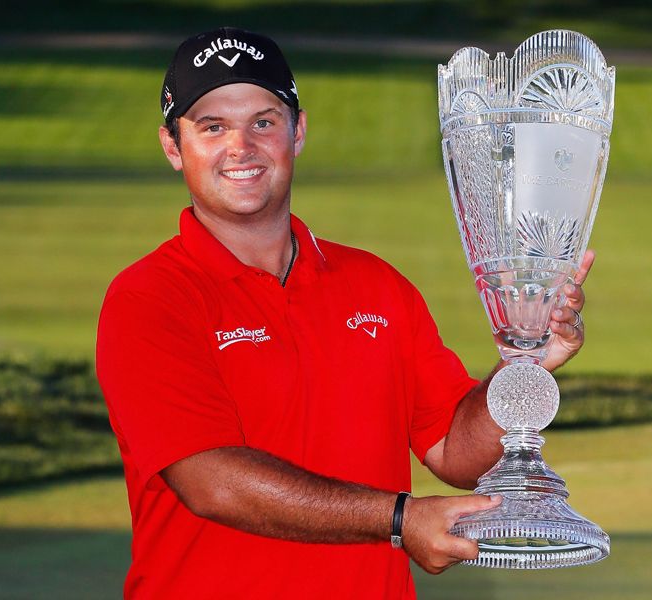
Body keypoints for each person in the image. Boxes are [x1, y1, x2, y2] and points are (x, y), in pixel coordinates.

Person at [96, 27, 594, 600]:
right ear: (172, 146)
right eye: (212, 127)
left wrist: (532, 361)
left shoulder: (376, 286)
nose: (241, 147)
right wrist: (400, 518)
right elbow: (212, 483)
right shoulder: (150, 299)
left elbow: (455, 451)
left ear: (298, 131)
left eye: (264, 121)